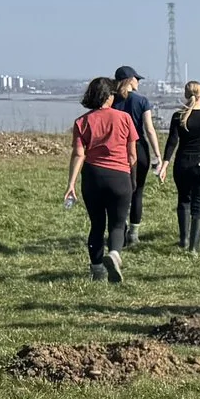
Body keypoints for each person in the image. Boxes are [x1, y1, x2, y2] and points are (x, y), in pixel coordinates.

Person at [62, 76, 139, 283]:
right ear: (109, 96)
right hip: (119, 176)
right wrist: (132, 179)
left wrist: (71, 184)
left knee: (96, 224)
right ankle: (114, 254)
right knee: (117, 223)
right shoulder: (124, 118)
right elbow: (132, 156)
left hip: (93, 177)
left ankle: (97, 270)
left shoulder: (82, 121)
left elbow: (79, 154)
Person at [164, 81, 200, 252]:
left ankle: (183, 239)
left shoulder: (178, 117)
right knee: (199, 206)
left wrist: (165, 164)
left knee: (183, 201)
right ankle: (194, 247)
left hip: (182, 165)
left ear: (185, 95)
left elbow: (172, 141)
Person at [111, 66, 162, 245]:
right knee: (137, 191)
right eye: (137, 79)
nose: (138, 82)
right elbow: (149, 129)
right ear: (130, 80)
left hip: (117, 150)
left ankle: (120, 229)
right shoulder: (141, 101)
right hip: (139, 149)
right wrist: (157, 154)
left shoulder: (111, 100)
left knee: (119, 192)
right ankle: (133, 234)